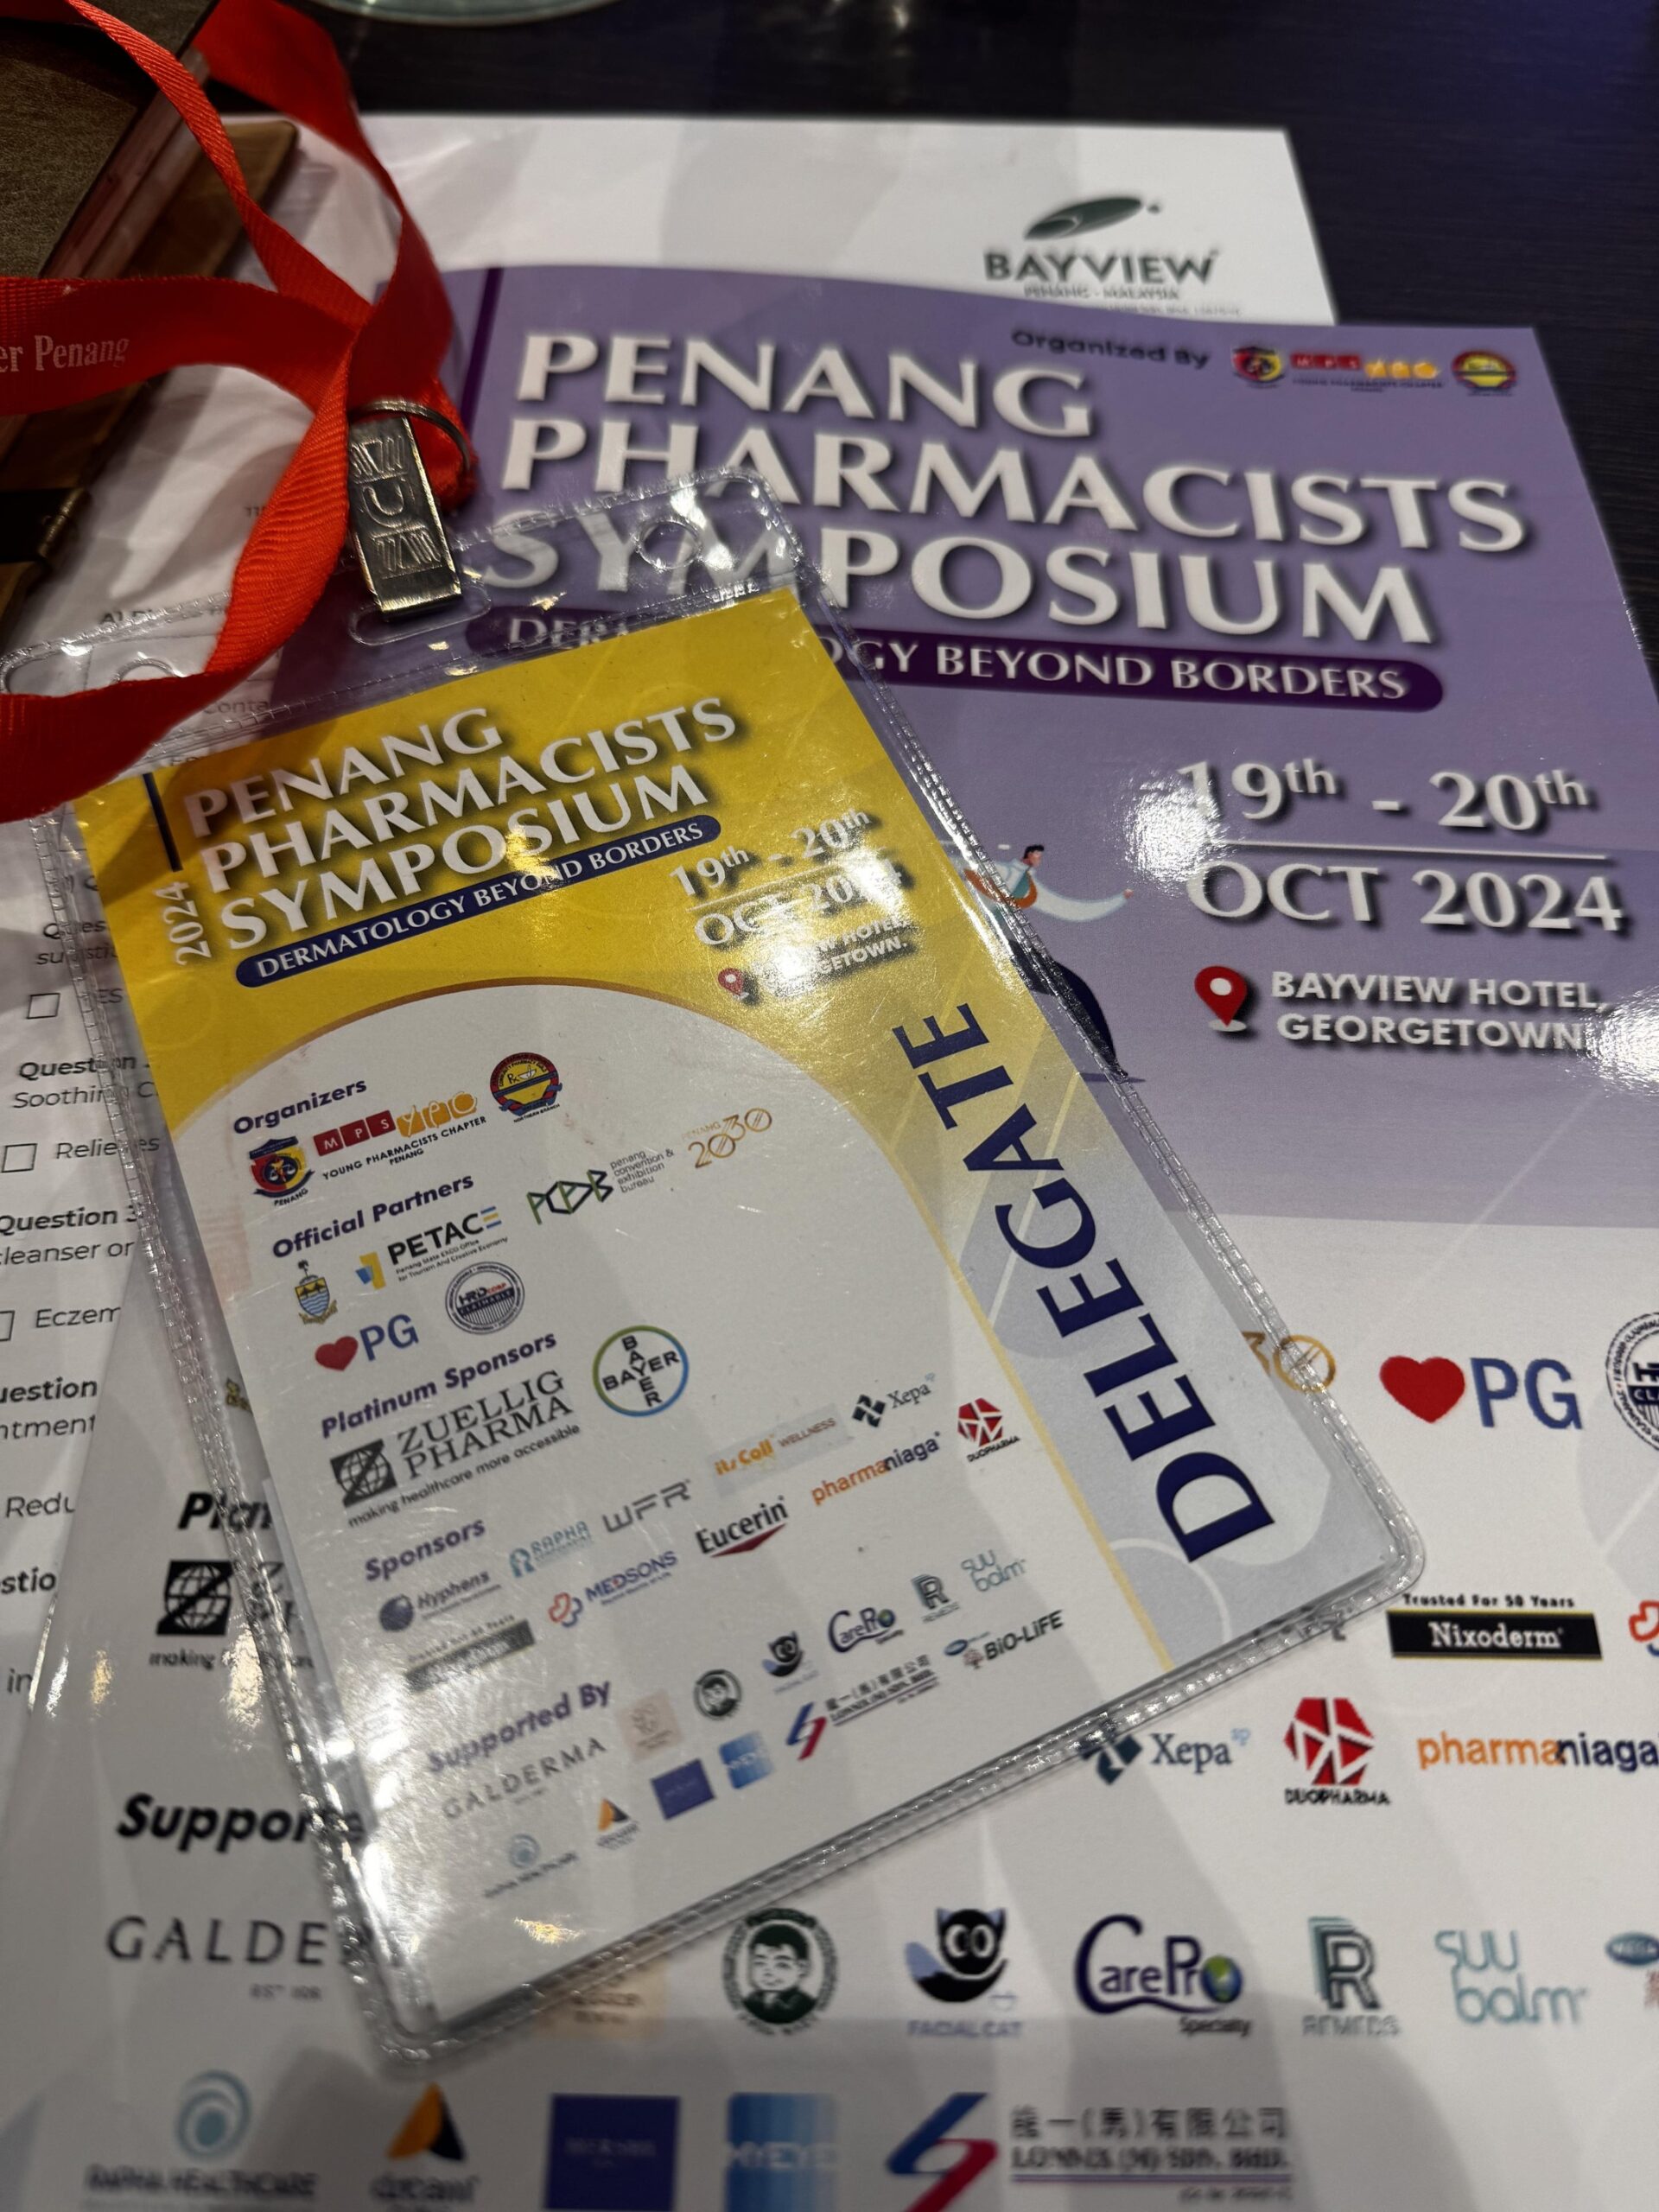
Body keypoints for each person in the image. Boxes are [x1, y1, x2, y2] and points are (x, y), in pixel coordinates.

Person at [741, 1921, 817, 2024]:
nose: (768, 1972)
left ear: (802, 1968)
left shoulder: (804, 2005)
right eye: (760, 1963)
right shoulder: (750, 2002)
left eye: (781, 1965)